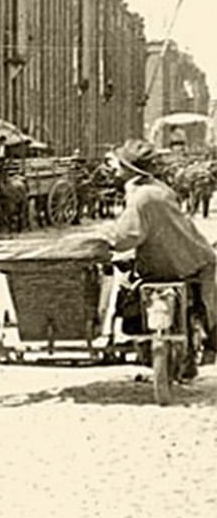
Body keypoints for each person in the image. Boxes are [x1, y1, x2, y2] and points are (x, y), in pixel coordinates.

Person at [76, 141, 217, 376]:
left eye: (119, 165)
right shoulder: (159, 188)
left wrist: (103, 240)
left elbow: (126, 236)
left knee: (128, 290)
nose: (115, 170)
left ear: (131, 170)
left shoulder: (141, 197)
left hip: (168, 264)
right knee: (202, 303)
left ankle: (207, 343)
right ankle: (202, 347)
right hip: (193, 257)